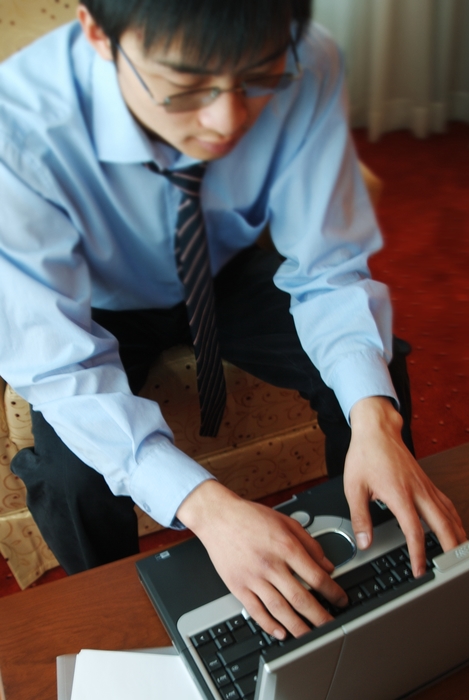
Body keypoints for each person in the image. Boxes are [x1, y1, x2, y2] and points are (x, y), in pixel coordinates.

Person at [0, 0, 465, 641]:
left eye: (257, 80)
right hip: (92, 297)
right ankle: (123, 616)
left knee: (375, 377)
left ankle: (377, 559)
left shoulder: (310, 58)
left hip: (232, 266)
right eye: (187, 87)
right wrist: (207, 507)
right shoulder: (16, 128)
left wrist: (374, 416)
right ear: (97, 34)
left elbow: (328, 266)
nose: (226, 122)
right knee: (69, 476)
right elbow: (57, 364)